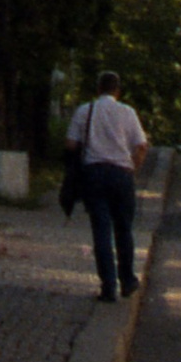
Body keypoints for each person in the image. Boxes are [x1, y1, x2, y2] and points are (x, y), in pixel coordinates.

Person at [66, 70, 150, 300]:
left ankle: (108, 286)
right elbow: (141, 146)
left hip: (94, 174)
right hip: (122, 174)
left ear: (98, 89)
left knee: (101, 230)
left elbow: (71, 144)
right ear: (117, 91)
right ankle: (128, 280)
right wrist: (133, 168)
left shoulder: (85, 111)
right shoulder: (127, 112)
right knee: (124, 229)